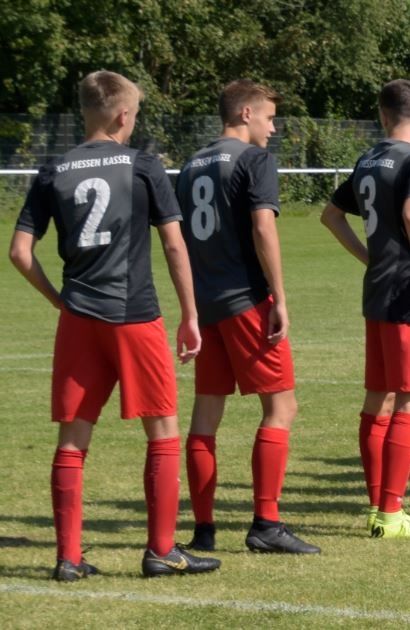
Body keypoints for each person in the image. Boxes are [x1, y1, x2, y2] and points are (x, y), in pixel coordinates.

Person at [14, 70, 221, 580]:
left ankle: (66, 558)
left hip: (79, 317)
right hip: (134, 314)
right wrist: (191, 316)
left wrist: (60, 300)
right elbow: (174, 245)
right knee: (163, 431)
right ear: (124, 114)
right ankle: (161, 551)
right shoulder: (143, 165)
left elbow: (20, 253)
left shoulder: (53, 168)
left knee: (72, 439)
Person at [176, 79, 318, 554]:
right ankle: (266, 523)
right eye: (269, 117)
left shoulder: (192, 163)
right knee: (281, 408)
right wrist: (279, 296)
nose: (273, 128)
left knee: (205, 415)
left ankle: (203, 528)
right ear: (244, 114)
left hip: (207, 304)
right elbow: (263, 228)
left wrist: (191, 308)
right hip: (246, 300)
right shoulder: (254, 160)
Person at [319, 79, 410, 539]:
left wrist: (370, 257)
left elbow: (330, 215)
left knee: (379, 398)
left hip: (376, 290)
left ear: (381, 115)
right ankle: (392, 514)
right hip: (408, 291)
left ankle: (378, 507)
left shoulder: (368, 160)